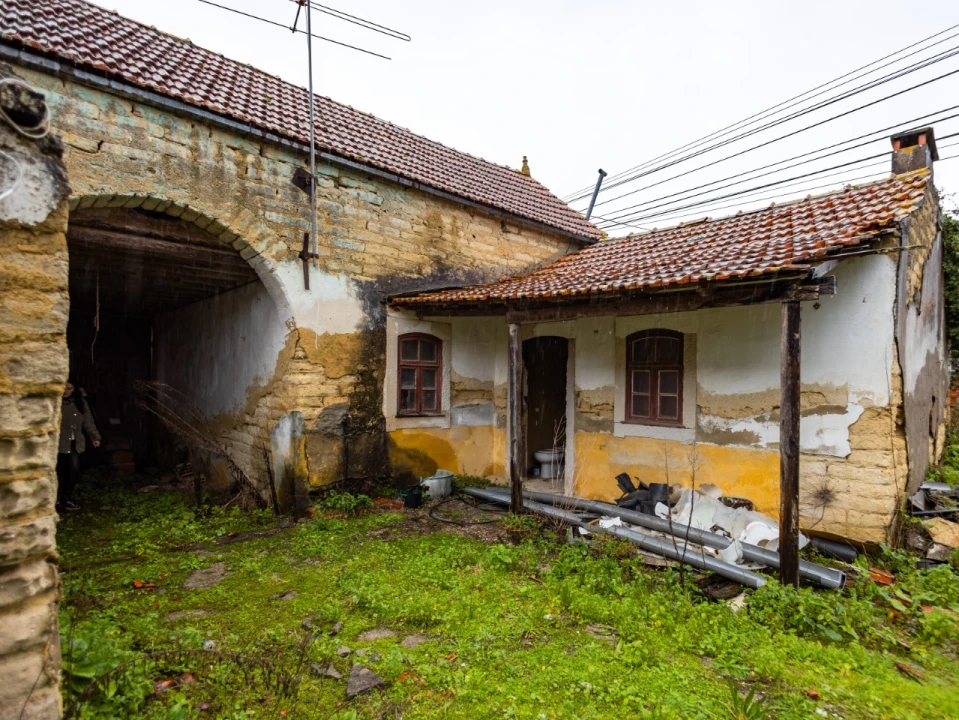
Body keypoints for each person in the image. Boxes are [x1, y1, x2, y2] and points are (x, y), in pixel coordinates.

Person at [56, 381, 100, 512]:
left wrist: (95, 436)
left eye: (69, 388)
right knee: (59, 471)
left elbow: (88, 420)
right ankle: (57, 499)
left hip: (75, 442)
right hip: (59, 443)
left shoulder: (80, 402)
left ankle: (67, 498)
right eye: (63, 388)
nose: (65, 391)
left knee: (73, 472)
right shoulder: (56, 402)